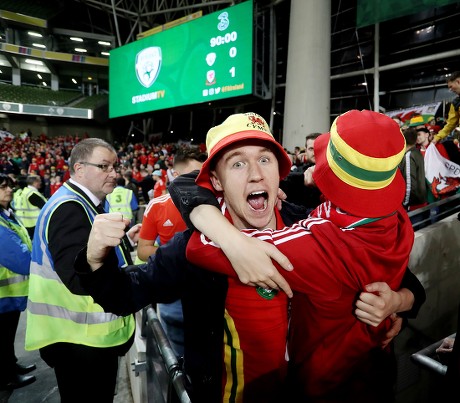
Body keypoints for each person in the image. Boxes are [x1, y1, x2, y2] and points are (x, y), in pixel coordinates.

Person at [78, 113, 424, 403]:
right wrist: (96, 255)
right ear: (216, 180)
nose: (256, 174)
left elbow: (392, 274)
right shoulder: (193, 245)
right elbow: (122, 295)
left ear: (278, 172)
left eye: (264, 159)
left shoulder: (303, 219)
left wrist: (398, 301)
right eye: (238, 163)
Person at [24, 138, 139, 403]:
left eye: (115, 166)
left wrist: (126, 242)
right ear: (79, 169)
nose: (114, 173)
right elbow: (79, 276)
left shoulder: (80, 202)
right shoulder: (70, 208)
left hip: (81, 338)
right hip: (81, 342)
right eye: (104, 166)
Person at [136, 148, 205, 357]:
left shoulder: (217, 203)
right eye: (193, 175)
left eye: (203, 175)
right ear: (174, 175)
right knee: (174, 357)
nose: (199, 181)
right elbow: (143, 250)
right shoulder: (157, 206)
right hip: (173, 296)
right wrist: (180, 257)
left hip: (209, 292)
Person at [0, 173, 37, 391]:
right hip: (3, 294)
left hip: (10, 292)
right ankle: (6, 377)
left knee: (7, 336)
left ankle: (11, 365)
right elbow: (17, 258)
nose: (9, 190)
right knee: (2, 338)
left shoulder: (7, 214)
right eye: (3, 187)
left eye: (10, 186)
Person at [399, 127, 428, 211]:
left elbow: (410, 183)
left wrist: (405, 203)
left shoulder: (409, 155)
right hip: (421, 202)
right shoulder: (417, 153)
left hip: (413, 205)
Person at [13, 174, 47, 240]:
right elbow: (45, 208)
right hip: (35, 224)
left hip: (23, 223)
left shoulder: (22, 192)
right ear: (35, 183)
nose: (41, 183)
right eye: (39, 181)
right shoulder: (32, 194)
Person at [433, 71, 460, 144]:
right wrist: (437, 137)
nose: (450, 90)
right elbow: (450, 124)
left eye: (451, 87)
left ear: (458, 82)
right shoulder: (455, 103)